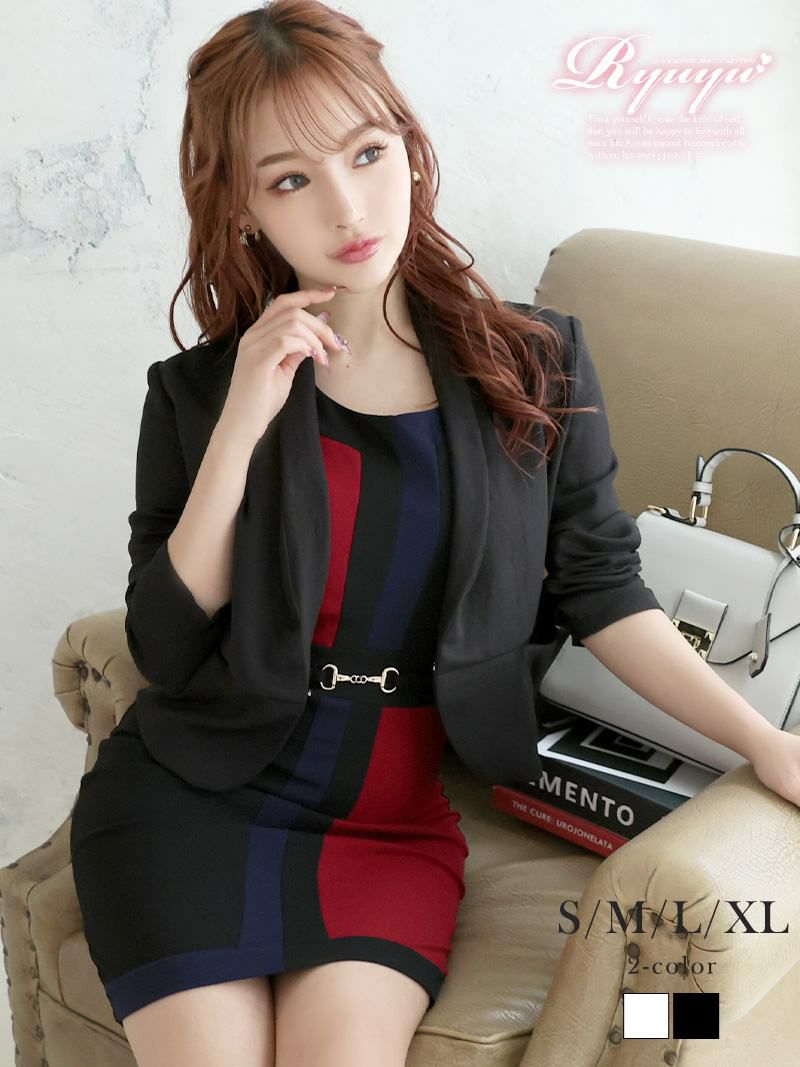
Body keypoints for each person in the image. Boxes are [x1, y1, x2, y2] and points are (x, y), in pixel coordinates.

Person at [70, 2, 800, 1065]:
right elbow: (166, 643)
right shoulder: (196, 391)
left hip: (388, 827)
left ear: (409, 150)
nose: (347, 206)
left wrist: (766, 744)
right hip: (193, 801)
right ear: (243, 211)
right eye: (290, 180)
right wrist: (240, 424)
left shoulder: (534, 364)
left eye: (367, 153)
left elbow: (604, 593)